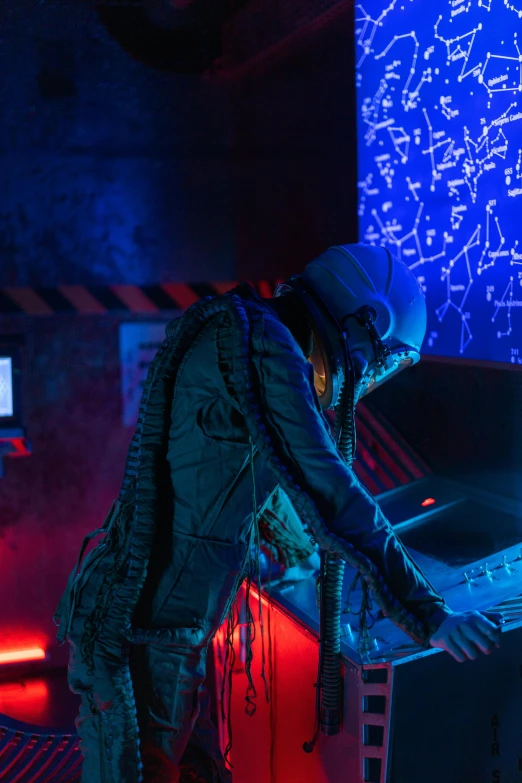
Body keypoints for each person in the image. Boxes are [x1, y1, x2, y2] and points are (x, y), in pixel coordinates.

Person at [54, 243, 503, 783]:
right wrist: (429, 615)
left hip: (152, 631)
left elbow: (256, 483)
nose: (363, 380)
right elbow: (329, 488)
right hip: (141, 639)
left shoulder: (243, 332)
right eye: (378, 362)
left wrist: (304, 558)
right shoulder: (264, 346)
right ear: (367, 322)